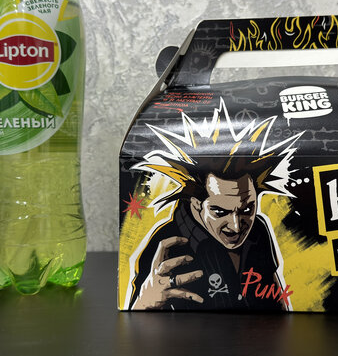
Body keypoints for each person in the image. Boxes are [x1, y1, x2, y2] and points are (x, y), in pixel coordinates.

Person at [125, 101, 300, 310]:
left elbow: (276, 302)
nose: (236, 226)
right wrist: (145, 302)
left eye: (247, 210)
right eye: (220, 212)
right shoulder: (165, 246)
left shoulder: (258, 230)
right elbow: (134, 317)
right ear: (196, 204)